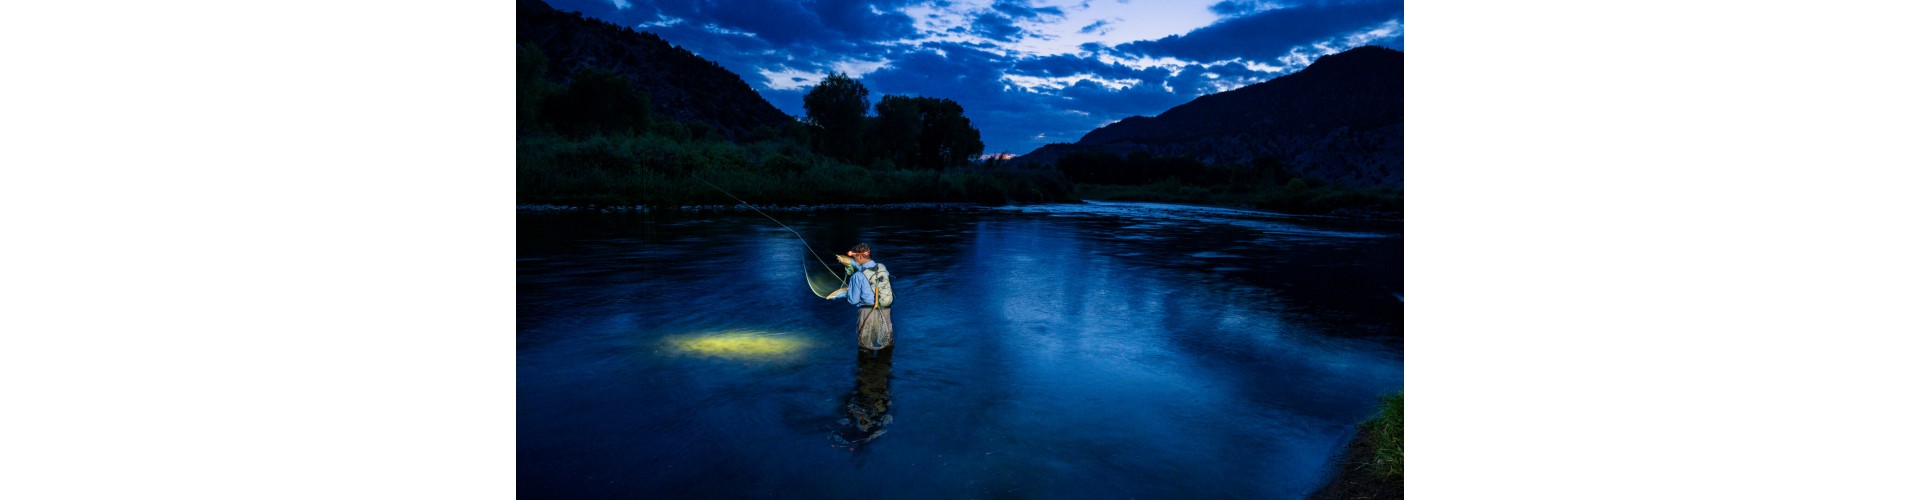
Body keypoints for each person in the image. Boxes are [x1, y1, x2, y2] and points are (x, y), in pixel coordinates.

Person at [825, 243, 893, 350]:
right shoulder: (882, 267)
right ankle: (884, 365)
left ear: (860, 256)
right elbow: (869, 271)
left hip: (867, 312)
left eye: (855, 257)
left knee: (865, 347)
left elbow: (853, 300)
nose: (855, 260)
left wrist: (843, 292)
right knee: (886, 345)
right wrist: (851, 262)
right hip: (885, 311)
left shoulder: (857, 276)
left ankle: (865, 365)